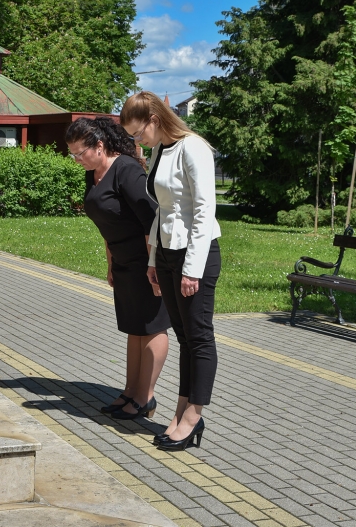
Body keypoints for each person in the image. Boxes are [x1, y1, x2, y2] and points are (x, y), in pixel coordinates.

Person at [120, 91, 221, 451]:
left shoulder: (193, 148)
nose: (136, 140)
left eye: (137, 132)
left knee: (198, 336)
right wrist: (153, 262)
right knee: (184, 339)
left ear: (155, 120)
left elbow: (203, 211)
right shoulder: (161, 149)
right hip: (166, 253)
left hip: (196, 255)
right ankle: (180, 412)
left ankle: (193, 415)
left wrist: (191, 270)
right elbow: (163, 211)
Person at [65, 116, 170, 421]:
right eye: (72, 154)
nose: (77, 160)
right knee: (134, 329)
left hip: (147, 261)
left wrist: (154, 266)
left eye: (80, 153)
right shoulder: (94, 172)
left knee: (151, 328)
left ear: (100, 145)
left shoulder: (125, 170)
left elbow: (153, 219)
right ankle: (130, 392)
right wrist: (111, 262)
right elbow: (108, 224)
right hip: (123, 261)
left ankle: (145, 397)